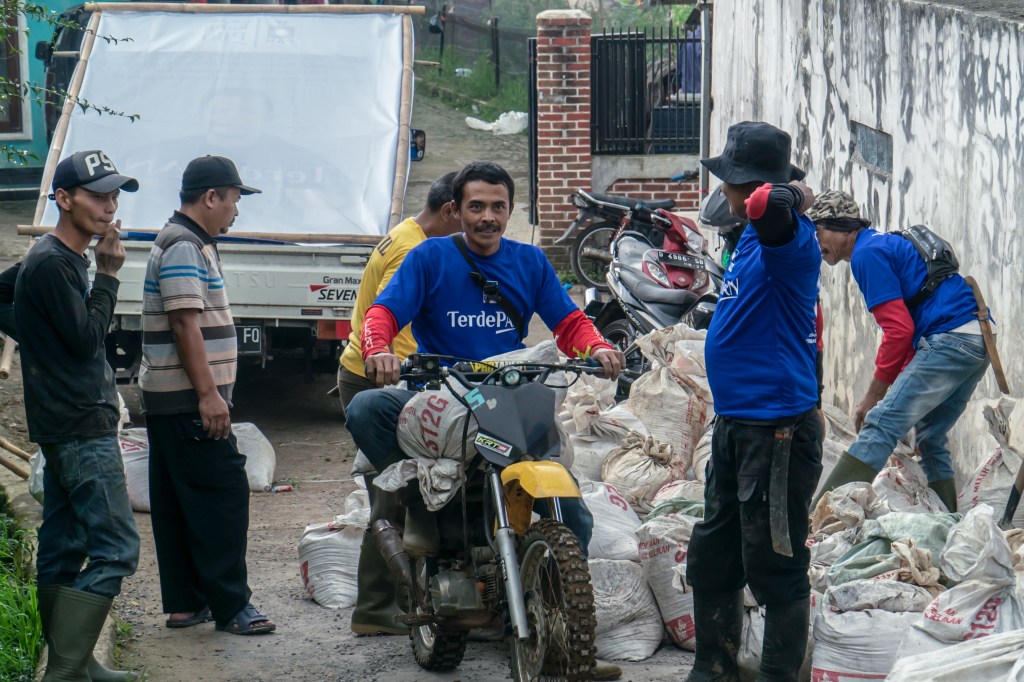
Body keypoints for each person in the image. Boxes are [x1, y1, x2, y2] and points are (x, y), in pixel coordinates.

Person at [345, 161, 626, 680]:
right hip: (442, 396)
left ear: (510, 211)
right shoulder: (429, 257)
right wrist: (378, 348)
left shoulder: (530, 261)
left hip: (511, 393)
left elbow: (568, 322)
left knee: (573, 513)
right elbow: (384, 311)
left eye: (498, 207)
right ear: (457, 210)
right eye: (476, 206)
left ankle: (564, 628)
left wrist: (598, 345)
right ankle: (419, 505)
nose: (488, 217)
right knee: (365, 407)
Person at [685, 122, 822, 682]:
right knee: (713, 556)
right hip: (737, 427)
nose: (728, 195)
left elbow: (771, 203)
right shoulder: (745, 244)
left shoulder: (787, 241)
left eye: (733, 185)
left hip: (778, 432)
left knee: (775, 566)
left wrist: (792, 191)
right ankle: (713, 667)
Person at [16, 149, 141, 681]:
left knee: (65, 545)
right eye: (97, 195)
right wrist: (109, 277)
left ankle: (77, 663)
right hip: (80, 426)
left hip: (63, 421)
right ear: (63, 199)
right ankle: (64, 671)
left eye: (114, 195)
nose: (109, 206)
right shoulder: (54, 262)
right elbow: (88, 338)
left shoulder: (52, 259)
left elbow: (9, 296)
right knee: (116, 548)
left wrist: (36, 332)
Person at [138, 155, 276, 636]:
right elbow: (183, 321)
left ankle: (185, 604)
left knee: (178, 499)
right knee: (224, 495)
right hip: (185, 397)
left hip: (169, 399)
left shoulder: (191, 242)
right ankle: (231, 606)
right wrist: (209, 394)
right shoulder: (182, 245)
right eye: (234, 200)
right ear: (211, 197)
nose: (236, 211)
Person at [808, 190, 990, 512]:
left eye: (817, 232)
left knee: (880, 423)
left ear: (839, 226)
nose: (815, 243)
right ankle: (947, 522)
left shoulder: (866, 254)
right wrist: (892, 389)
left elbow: (899, 331)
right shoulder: (881, 244)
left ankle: (822, 515)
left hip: (950, 338)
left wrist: (873, 396)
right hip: (977, 339)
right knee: (930, 435)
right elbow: (909, 335)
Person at [338, 171, 461, 637]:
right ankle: (375, 608)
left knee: (398, 487)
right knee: (393, 489)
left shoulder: (406, 232)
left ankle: (407, 595)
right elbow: (391, 326)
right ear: (451, 210)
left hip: (369, 372)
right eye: (468, 213)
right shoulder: (415, 251)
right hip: (381, 380)